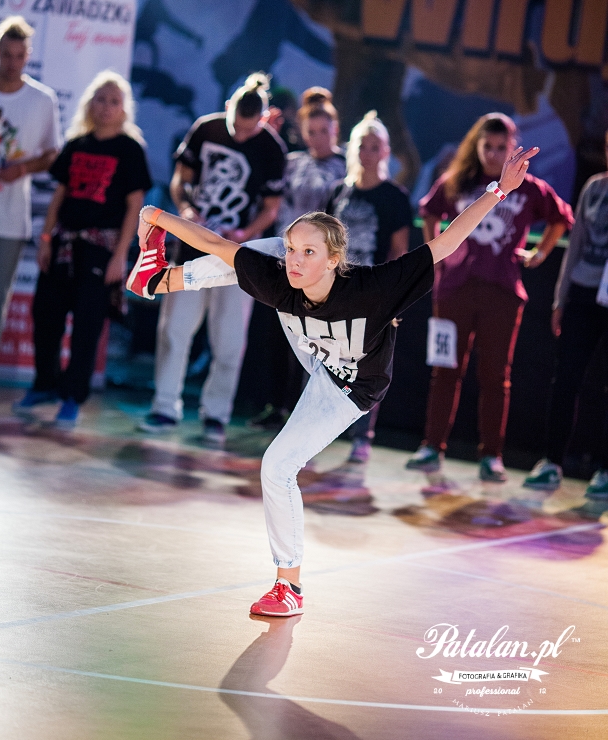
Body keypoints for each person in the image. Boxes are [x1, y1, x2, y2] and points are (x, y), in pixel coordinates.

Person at [127, 142, 539, 616]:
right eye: (294, 250)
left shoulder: (373, 290)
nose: (296, 260)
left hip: (352, 384)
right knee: (258, 253)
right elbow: (219, 245)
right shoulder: (285, 278)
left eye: (309, 252)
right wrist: (156, 215)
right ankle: (155, 279)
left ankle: (290, 588)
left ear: (334, 258)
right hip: (314, 351)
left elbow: (445, 243)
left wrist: (498, 190)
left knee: (276, 467)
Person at [406, 113, 572, 484]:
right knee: (445, 369)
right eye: (487, 146)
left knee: (496, 376)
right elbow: (429, 211)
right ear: (476, 146)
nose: (494, 154)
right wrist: (436, 255)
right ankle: (432, 446)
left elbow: (562, 217)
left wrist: (541, 253)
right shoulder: (457, 181)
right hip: (454, 290)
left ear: (512, 148)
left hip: (502, 293)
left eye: (501, 147)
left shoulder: (528, 188)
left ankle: (492, 456)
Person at [141, 73, 286, 444]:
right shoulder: (205, 129)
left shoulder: (271, 148)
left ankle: (216, 415)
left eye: (250, 129)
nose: (241, 135)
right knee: (175, 329)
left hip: (239, 258)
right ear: (227, 109)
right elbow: (180, 178)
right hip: (191, 248)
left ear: (264, 119)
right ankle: (164, 406)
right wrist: (185, 209)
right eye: (236, 126)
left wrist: (246, 232)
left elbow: (271, 208)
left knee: (229, 339)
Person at [14, 71, 152, 428]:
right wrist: (46, 238)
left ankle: (72, 398)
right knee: (46, 316)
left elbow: (134, 206)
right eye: (100, 99)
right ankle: (44, 385)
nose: (106, 107)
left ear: (124, 109)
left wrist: (121, 256)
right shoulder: (76, 144)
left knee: (87, 326)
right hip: (63, 244)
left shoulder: (130, 149)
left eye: (114, 101)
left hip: (100, 249)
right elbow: (59, 194)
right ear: (90, 104)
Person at [0, 16, 60, 405]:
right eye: (6, 54)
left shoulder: (42, 100)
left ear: (28, 56)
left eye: (19, 56)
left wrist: (22, 169)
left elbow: (52, 154)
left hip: (9, 220)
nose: (12, 62)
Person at [254, 87, 346, 431]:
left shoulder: (346, 167)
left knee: (316, 341)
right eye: (312, 131)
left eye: (324, 131)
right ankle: (276, 406)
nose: (318, 138)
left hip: (321, 266)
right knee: (279, 336)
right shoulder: (292, 163)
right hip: (285, 260)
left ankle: (309, 414)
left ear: (335, 130)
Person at [524, 131, 608, 499]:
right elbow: (575, 245)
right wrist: (561, 298)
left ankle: (604, 471)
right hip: (583, 294)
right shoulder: (594, 188)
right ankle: (552, 463)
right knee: (566, 379)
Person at [326, 111, 412, 462]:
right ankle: (316, 429)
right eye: (362, 145)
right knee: (322, 360)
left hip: (372, 294)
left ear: (385, 151)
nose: (367, 153)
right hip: (333, 291)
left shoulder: (394, 196)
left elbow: (399, 250)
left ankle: (362, 437)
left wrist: (389, 295)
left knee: (367, 368)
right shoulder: (339, 191)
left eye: (375, 147)